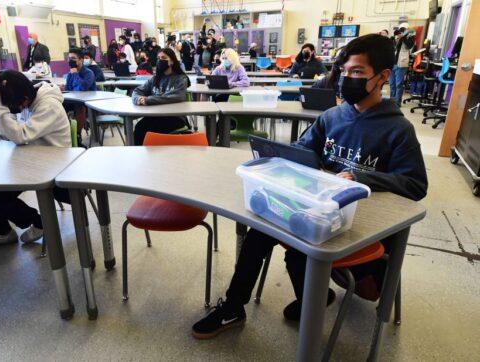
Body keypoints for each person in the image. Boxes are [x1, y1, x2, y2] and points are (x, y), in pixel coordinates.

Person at [191, 33, 428, 339]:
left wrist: (361, 178)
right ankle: (235, 306)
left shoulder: (398, 129)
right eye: (343, 72)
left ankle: (312, 297)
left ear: (383, 76)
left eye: (356, 72)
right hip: (322, 210)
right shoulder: (332, 117)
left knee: (299, 249)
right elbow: (303, 152)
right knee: (260, 229)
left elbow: (415, 183)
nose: (346, 79)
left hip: (360, 222)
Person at [0, 70, 71, 250]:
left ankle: (39, 223)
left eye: (12, 106)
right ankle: (3, 231)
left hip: (53, 166)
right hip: (29, 161)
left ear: (24, 98)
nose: (13, 110)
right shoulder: (23, 100)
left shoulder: (48, 105)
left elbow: (20, 135)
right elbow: (4, 124)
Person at [131, 48, 191, 145]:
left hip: (175, 118)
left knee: (145, 130)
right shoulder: (155, 79)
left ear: (171, 61)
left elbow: (176, 96)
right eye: (158, 58)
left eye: (163, 58)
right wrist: (137, 99)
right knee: (139, 128)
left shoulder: (181, 78)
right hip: (156, 115)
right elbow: (137, 91)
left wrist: (148, 100)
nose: (160, 60)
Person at [389, 24, 415, 106]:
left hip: (401, 64)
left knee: (399, 84)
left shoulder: (410, 37)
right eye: (400, 29)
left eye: (403, 29)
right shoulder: (395, 38)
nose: (401, 31)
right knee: (392, 84)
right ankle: (391, 101)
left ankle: (397, 102)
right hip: (392, 63)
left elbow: (409, 46)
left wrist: (403, 37)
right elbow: (391, 48)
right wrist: (394, 38)